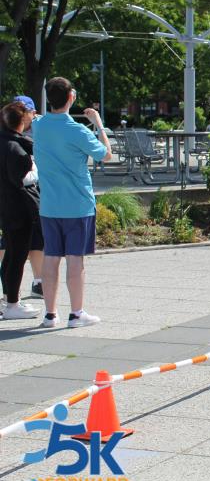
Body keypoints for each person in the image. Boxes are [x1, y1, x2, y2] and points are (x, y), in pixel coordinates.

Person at [33, 78, 111, 328]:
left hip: (49, 205)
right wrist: (98, 123)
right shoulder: (78, 130)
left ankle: (50, 315)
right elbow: (106, 155)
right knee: (75, 259)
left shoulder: (39, 126)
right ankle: (76, 314)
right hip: (77, 205)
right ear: (71, 97)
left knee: (51, 258)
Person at [0, 101, 43, 319]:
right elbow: (24, 179)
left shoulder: (5, 142)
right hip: (18, 209)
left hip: (6, 207)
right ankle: (12, 305)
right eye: (29, 115)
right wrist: (36, 169)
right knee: (17, 256)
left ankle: (8, 299)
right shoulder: (16, 148)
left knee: (11, 254)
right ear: (21, 120)